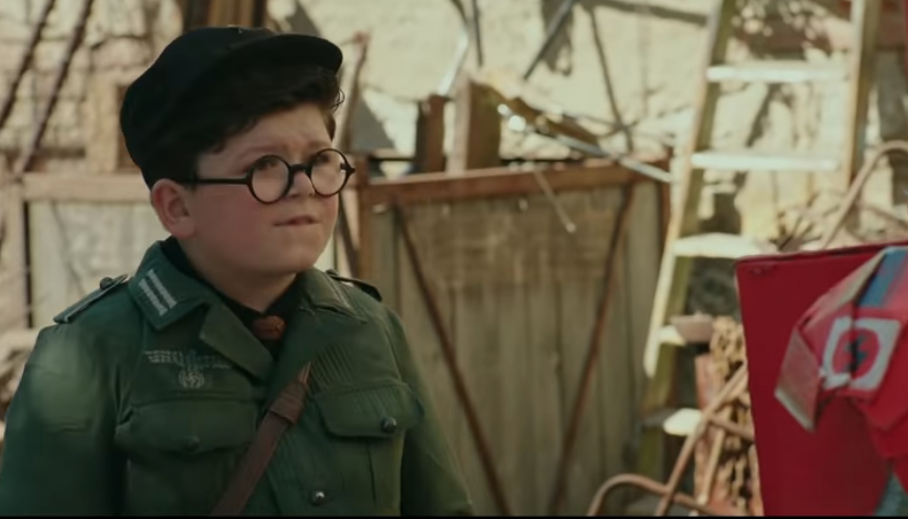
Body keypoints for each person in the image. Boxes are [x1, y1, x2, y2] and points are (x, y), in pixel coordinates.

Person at [0, 26, 474, 516]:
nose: (304, 187)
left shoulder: (370, 328)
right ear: (177, 207)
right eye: (265, 166)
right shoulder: (89, 356)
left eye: (319, 160)